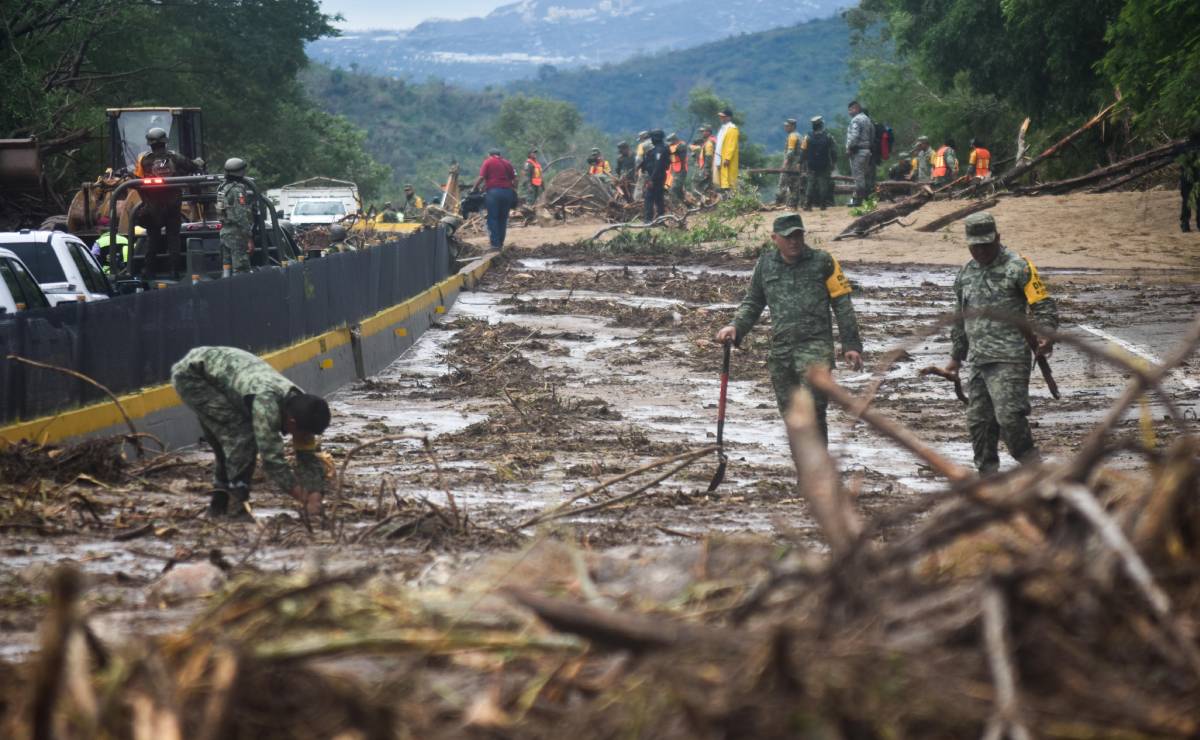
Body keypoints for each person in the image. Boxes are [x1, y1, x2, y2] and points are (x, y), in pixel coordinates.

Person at [715, 213, 863, 443]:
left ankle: (818, 472)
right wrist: (735, 327)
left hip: (816, 350)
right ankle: (804, 470)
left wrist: (851, 345)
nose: (794, 241)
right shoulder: (766, 264)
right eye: (788, 237)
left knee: (814, 412)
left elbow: (842, 304)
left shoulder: (823, 261)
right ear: (775, 238)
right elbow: (753, 302)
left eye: (798, 236)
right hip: (782, 353)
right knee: (792, 416)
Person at [939, 212, 1059, 475]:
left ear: (998, 238)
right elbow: (960, 317)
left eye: (986, 244)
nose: (981, 251)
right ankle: (987, 480)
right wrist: (956, 357)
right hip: (979, 362)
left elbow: (1043, 304)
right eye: (975, 246)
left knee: (1009, 419)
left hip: (1010, 358)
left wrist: (1046, 335)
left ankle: (1035, 470)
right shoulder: (965, 273)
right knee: (979, 423)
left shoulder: (1018, 267)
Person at [171, 346, 332, 519]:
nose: (305, 439)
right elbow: (272, 460)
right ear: (291, 423)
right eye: (304, 434)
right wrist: (302, 496)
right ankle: (236, 507)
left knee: (227, 442)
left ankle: (218, 505)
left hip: (223, 374)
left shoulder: (302, 407)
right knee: (242, 436)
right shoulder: (266, 406)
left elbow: (307, 456)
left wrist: (316, 495)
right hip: (194, 376)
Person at [133, 127, 202, 278]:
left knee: (153, 239)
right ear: (165, 141)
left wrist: (145, 201)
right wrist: (197, 162)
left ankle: (149, 271)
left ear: (149, 143)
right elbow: (191, 166)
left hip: (153, 206)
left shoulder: (144, 160)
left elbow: (137, 178)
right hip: (173, 205)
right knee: (173, 238)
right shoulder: (175, 157)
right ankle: (174, 271)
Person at [215, 158, 254, 276]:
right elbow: (241, 215)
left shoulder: (222, 187)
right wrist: (248, 237)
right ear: (240, 172)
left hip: (225, 232)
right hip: (237, 234)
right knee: (241, 270)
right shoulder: (237, 190)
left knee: (226, 267)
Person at [472, 149, 517, 250]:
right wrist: (514, 189)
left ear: (490, 155)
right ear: (499, 155)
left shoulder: (488, 162)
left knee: (493, 218)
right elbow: (515, 179)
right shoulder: (507, 163)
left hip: (494, 193)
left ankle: (495, 244)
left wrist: (474, 188)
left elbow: (481, 177)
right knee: (503, 218)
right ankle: (500, 243)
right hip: (507, 193)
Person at [802, 116, 836, 211]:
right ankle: (823, 204)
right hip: (824, 164)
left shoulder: (807, 137)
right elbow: (833, 151)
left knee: (810, 183)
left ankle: (807, 204)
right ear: (821, 125)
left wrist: (802, 162)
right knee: (823, 184)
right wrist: (833, 162)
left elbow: (803, 151)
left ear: (813, 126)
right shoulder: (828, 136)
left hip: (811, 164)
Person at [844, 101, 874, 207]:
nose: (849, 112)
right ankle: (866, 198)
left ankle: (859, 200)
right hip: (866, 150)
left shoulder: (856, 120)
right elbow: (872, 135)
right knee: (864, 175)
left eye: (850, 109)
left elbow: (854, 136)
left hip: (857, 152)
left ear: (856, 108)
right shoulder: (867, 119)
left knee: (858, 177)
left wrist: (849, 148)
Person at [640, 129, 669, 223]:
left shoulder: (659, 150)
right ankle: (661, 220)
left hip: (657, 178)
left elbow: (658, 165)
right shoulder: (659, 148)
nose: (650, 139)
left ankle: (648, 220)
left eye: (652, 137)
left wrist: (651, 179)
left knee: (649, 198)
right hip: (658, 177)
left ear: (655, 138)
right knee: (658, 198)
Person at [776, 118, 803, 208]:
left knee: (782, 184)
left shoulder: (792, 136)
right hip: (797, 165)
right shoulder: (799, 135)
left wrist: (785, 163)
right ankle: (794, 204)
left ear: (792, 126)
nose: (785, 127)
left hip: (790, 166)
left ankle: (779, 203)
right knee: (795, 186)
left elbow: (790, 151)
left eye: (787, 126)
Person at [714, 108, 740, 196]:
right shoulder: (723, 128)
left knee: (730, 180)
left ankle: (732, 198)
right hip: (720, 158)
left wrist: (727, 158)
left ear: (729, 118)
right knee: (723, 180)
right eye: (721, 117)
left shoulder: (732, 129)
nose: (721, 118)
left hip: (727, 159)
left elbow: (731, 145)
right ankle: (726, 198)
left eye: (723, 117)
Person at [691, 124, 716, 196]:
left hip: (708, 168)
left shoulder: (709, 142)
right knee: (708, 187)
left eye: (703, 131)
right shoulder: (710, 141)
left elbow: (709, 157)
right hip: (710, 168)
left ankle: (700, 202)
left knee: (696, 185)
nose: (702, 133)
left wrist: (706, 170)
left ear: (708, 132)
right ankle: (709, 203)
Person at [1178, 149, 1199, 232]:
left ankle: (1185, 224)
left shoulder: (1183, 147)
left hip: (1187, 178)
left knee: (1187, 201)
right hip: (1193, 177)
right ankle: (1186, 223)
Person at [666, 133, 689, 206]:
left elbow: (678, 153)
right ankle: (686, 205)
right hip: (674, 169)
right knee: (678, 190)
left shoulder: (682, 145)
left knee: (673, 189)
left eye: (671, 142)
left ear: (675, 140)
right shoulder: (672, 146)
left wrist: (670, 150)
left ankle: (678, 206)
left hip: (681, 169)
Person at [633, 130, 651, 200]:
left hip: (646, 170)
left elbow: (638, 159)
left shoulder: (642, 145)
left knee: (639, 188)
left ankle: (637, 202)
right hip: (658, 171)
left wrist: (636, 169)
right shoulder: (655, 143)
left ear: (642, 138)